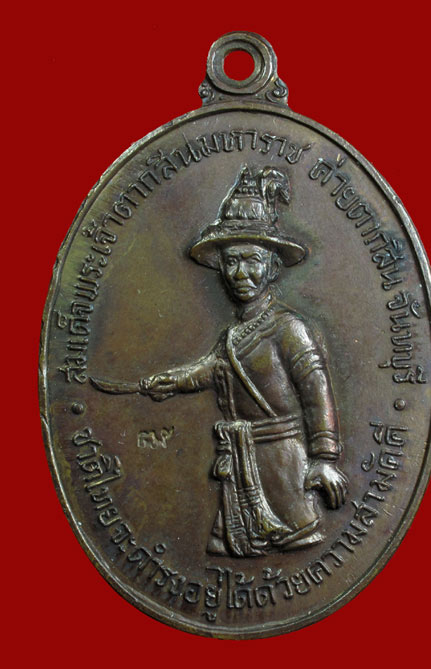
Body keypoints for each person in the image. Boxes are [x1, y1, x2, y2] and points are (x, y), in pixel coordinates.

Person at [138, 165, 348, 556]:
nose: (240, 273)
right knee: (230, 545)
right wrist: (176, 380)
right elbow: (214, 369)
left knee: (297, 538)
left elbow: (316, 391)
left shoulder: (289, 328)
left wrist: (323, 457)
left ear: (272, 267)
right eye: (231, 261)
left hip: (282, 462)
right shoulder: (234, 335)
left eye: (252, 260)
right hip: (241, 458)